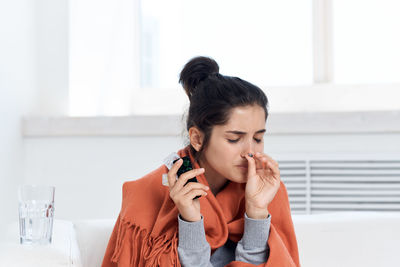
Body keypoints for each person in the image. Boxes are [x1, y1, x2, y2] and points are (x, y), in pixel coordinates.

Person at [102, 56, 300, 267]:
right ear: (197, 138)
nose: (250, 152)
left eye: (258, 138)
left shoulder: (268, 191)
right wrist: (191, 223)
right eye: (234, 139)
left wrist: (257, 212)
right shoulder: (148, 195)